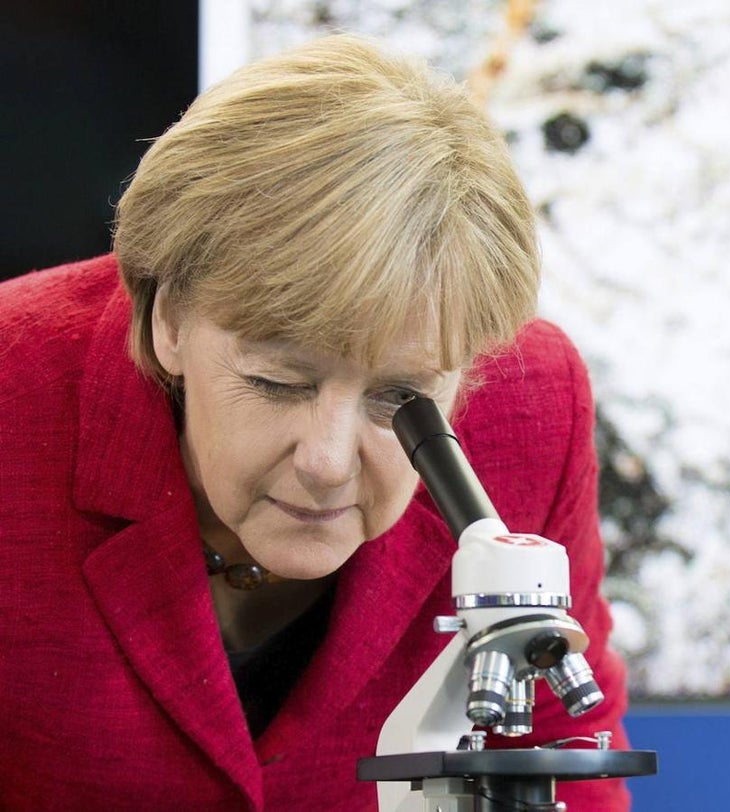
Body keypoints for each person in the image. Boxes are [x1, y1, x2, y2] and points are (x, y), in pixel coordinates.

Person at [0, 33, 630, 810]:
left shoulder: (531, 405)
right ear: (167, 317)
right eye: (277, 381)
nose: (327, 463)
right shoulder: (13, 401)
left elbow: (563, 748)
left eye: (402, 398)